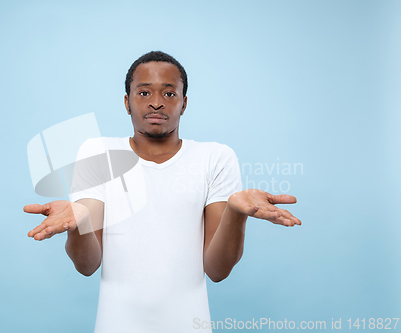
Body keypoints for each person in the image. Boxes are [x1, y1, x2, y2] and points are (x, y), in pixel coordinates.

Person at [24, 51, 301, 333]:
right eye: (144, 92)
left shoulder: (215, 158)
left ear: (184, 104)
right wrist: (79, 222)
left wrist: (236, 213)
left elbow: (217, 271)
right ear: (126, 102)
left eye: (169, 94)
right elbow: (87, 264)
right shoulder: (99, 154)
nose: (156, 102)